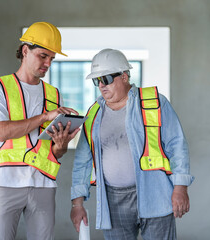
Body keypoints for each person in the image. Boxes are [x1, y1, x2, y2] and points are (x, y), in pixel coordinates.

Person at [70, 48, 194, 240]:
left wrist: (180, 187)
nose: (102, 85)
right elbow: (82, 161)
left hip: (155, 192)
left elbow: (176, 145)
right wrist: (77, 204)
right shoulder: (93, 114)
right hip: (113, 200)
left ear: (125, 76)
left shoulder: (154, 103)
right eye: (97, 81)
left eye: (107, 78)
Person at [0, 22, 80, 240]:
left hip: (43, 184)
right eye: (43, 56)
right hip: (6, 182)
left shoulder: (54, 95)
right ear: (25, 50)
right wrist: (45, 117)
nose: (48, 63)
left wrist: (62, 143)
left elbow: (54, 152)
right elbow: (1, 132)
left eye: (52, 59)